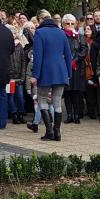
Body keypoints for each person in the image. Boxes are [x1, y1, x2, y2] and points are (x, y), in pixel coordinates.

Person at [30, 9, 72, 141]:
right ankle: (57, 132)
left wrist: (35, 75)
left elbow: (38, 56)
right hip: (61, 71)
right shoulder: (61, 32)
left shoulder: (40, 33)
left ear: (41, 20)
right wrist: (69, 73)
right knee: (57, 102)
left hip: (46, 71)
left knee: (42, 99)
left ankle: (49, 131)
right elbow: (68, 55)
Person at [62, 15, 88, 124]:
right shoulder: (61, 35)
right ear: (63, 24)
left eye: (72, 23)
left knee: (76, 92)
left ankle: (77, 114)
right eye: (67, 23)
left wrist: (75, 60)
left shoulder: (80, 36)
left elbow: (84, 50)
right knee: (67, 92)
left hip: (77, 68)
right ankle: (69, 115)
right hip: (64, 67)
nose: (70, 26)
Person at [7, 26, 27, 124]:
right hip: (10, 77)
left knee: (20, 96)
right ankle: (14, 114)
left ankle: (21, 113)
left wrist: (23, 76)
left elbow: (23, 61)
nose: (13, 35)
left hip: (19, 76)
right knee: (11, 96)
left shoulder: (19, 46)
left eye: (14, 33)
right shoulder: (5, 46)